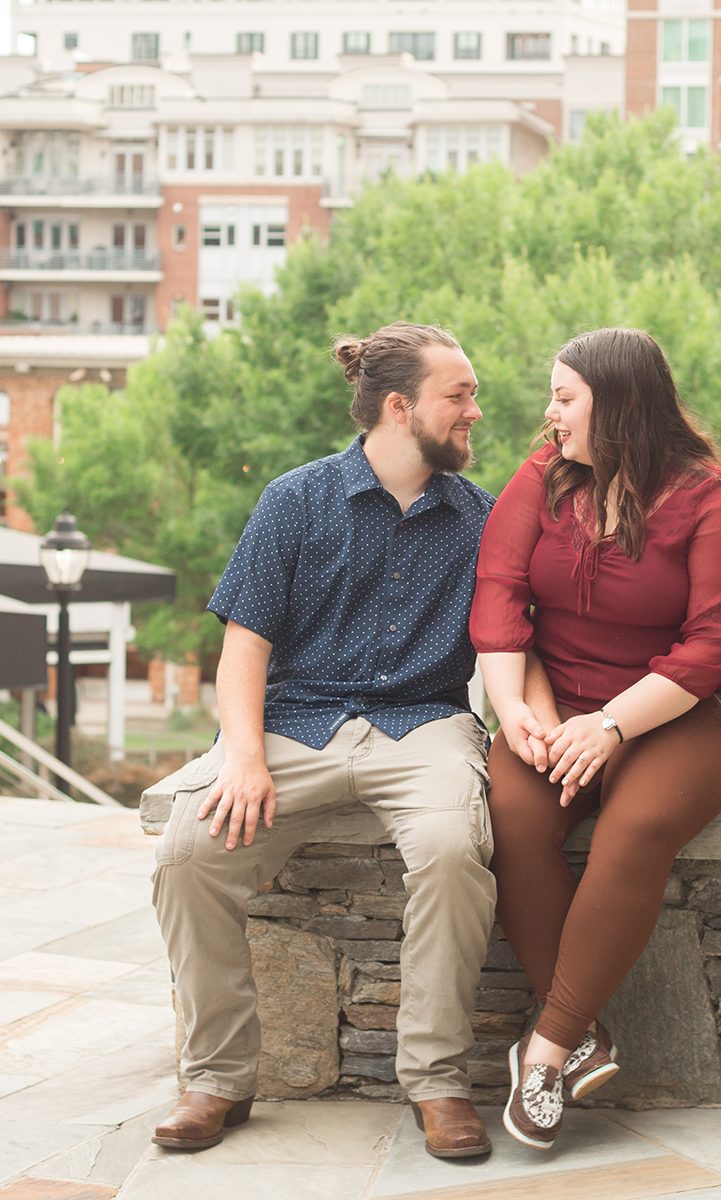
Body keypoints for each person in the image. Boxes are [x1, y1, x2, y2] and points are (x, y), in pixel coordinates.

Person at [151, 322, 500, 1160]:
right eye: (460, 396)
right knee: (185, 854)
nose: (475, 413)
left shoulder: (485, 519)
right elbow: (245, 645)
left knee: (455, 847)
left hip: (427, 724)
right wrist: (241, 757)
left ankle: (438, 1081)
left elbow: (508, 651)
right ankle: (217, 1080)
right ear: (397, 405)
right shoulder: (295, 499)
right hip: (292, 723)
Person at [471, 327, 721, 1149]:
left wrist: (611, 724)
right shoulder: (542, 476)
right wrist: (519, 710)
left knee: (632, 830)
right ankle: (588, 1031)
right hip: (555, 708)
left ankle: (548, 1048)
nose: (549, 412)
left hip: (685, 717)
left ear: (619, 403)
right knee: (512, 815)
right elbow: (499, 592)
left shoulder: (716, 501)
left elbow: (712, 648)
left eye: (564, 397)